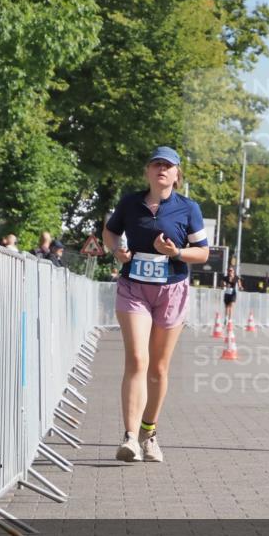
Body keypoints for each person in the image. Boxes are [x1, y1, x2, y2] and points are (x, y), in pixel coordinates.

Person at [101, 146, 209, 464]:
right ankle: (130, 437)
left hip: (172, 290)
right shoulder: (130, 203)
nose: (162, 169)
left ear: (176, 175)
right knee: (137, 359)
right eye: (156, 164)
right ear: (147, 171)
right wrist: (117, 250)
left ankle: (149, 434)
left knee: (159, 368)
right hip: (133, 288)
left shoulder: (188, 208)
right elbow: (110, 232)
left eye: (168, 166)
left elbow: (203, 252)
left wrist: (176, 253)